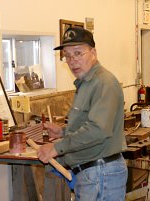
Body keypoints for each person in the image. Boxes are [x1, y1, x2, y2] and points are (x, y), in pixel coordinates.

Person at [37, 27, 128, 201]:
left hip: (101, 175)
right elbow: (88, 122)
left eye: (78, 53)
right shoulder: (85, 83)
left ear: (93, 52)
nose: (72, 61)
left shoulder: (103, 82)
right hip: (92, 174)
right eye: (67, 56)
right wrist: (63, 132)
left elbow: (98, 130)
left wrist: (57, 147)